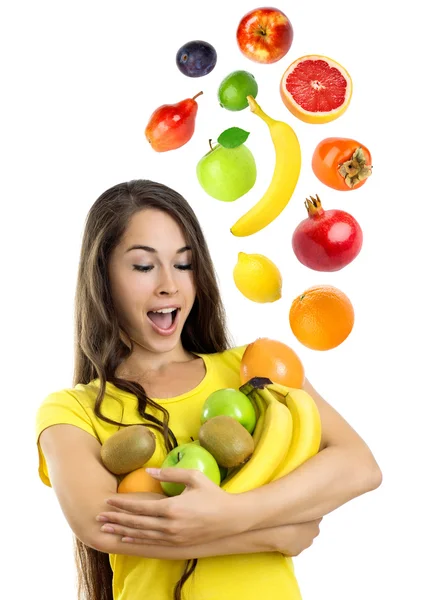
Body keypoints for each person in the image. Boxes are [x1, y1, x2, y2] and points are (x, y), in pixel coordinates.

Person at [35, 179, 382, 600]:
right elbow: (100, 525)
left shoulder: (252, 368)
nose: (170, 284)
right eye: (144, 267)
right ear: (102, 275)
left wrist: (235, 513)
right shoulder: (74, 409)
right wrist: (271, 534)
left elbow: (360, 466)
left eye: (184, 264)